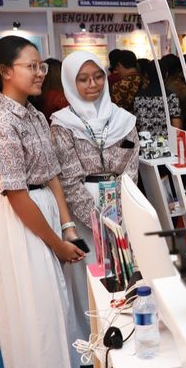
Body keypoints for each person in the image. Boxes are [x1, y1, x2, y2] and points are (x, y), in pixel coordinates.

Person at [0, 35, 85, 368]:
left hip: (43, 211)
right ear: (5, 72)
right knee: (32, 305)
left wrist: (67, 227)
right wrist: (56, 242)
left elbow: (52, 173)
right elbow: (17, 194)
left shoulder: (35, 114)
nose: (40, 73)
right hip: (21, 220)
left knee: (53, 302)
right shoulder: (0, 123)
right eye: (31, 66)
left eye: (41, 66)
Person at [50, 50, 139, 345]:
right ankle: (91, 341)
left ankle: (124, 335)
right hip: (82, 211)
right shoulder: (62, 124)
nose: (92, 85)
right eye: (83, 79)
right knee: (89, 274)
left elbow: (131, 168)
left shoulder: (124, 119)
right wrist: (99, 218)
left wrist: (121, 210)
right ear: (70, 83)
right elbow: (68, 178)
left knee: (122, 269)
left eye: (98, 77)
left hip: (121, 202)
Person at [133, 60, 182, 140]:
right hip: (166, 145)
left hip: (145, 144)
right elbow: (177, 125)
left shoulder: (138, 97)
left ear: (146, 75)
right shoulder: (171, 96)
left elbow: (137, 124)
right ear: (166, 75)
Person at [108, 49, 142, 114]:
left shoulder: (118, 86)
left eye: (117, 67)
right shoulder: (145, 81)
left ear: (119, 65)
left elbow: (115, 112)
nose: (117, 70)